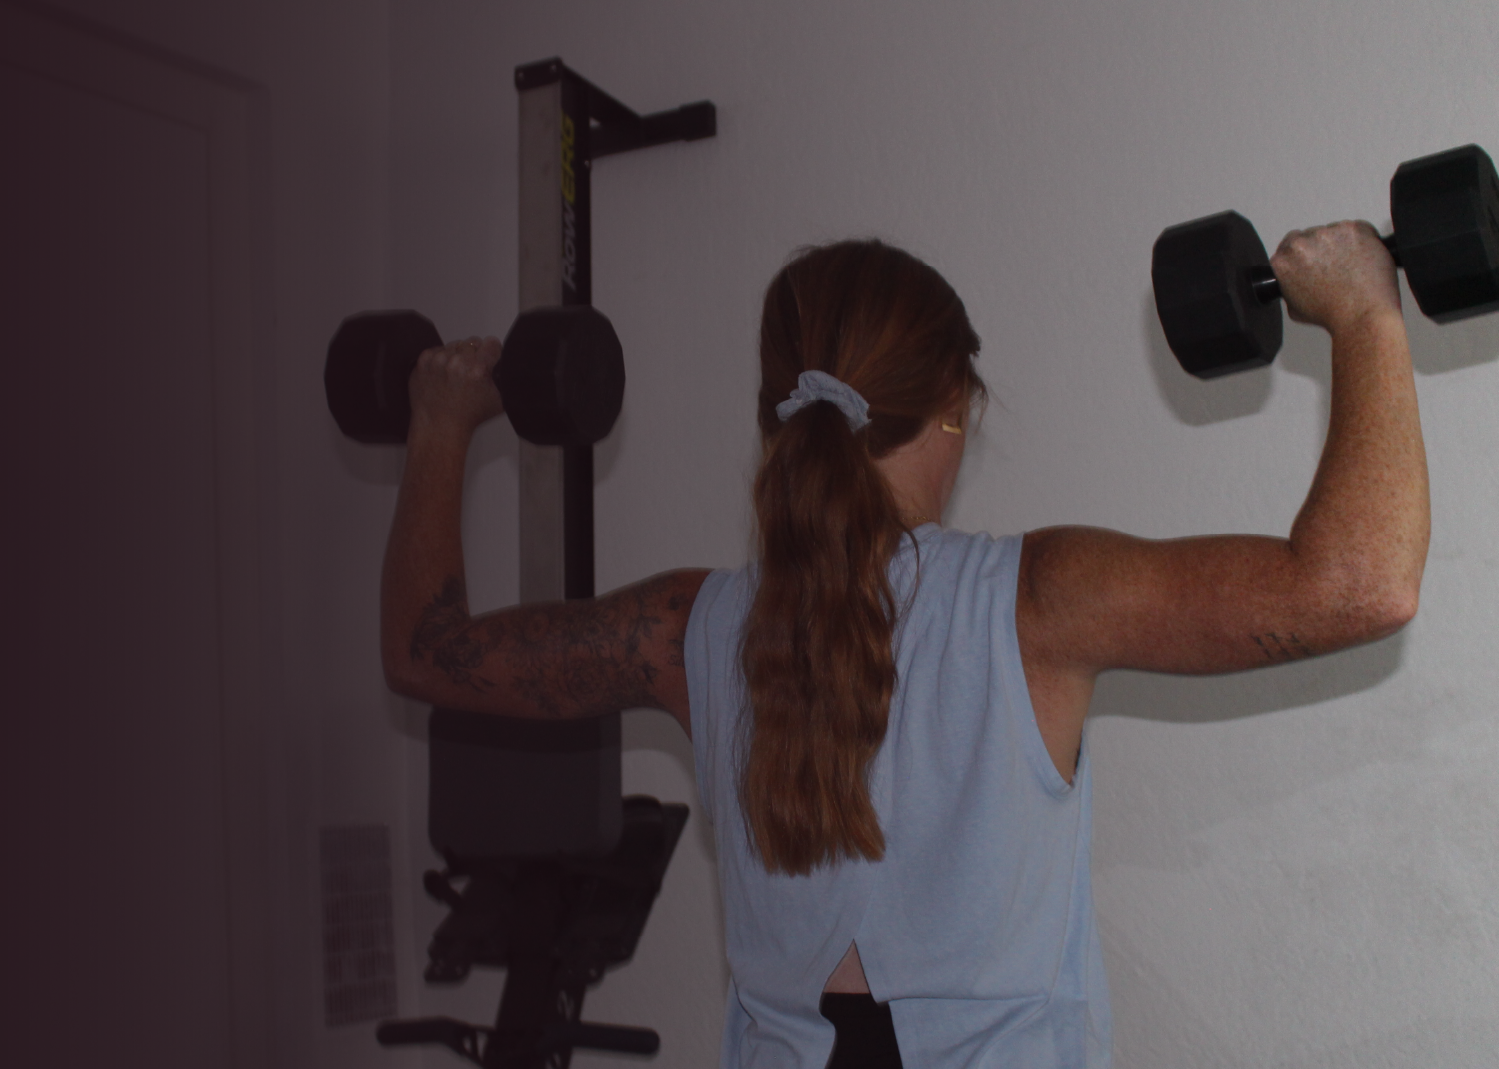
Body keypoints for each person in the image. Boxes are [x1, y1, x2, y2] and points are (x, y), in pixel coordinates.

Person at [379, 226, 1426, 1069]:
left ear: (775, 414)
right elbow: (1362, 583)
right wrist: (1363, 311)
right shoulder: (1041, 600)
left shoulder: (687, 628)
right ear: (953, 410)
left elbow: (428, 651)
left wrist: (440, 425)